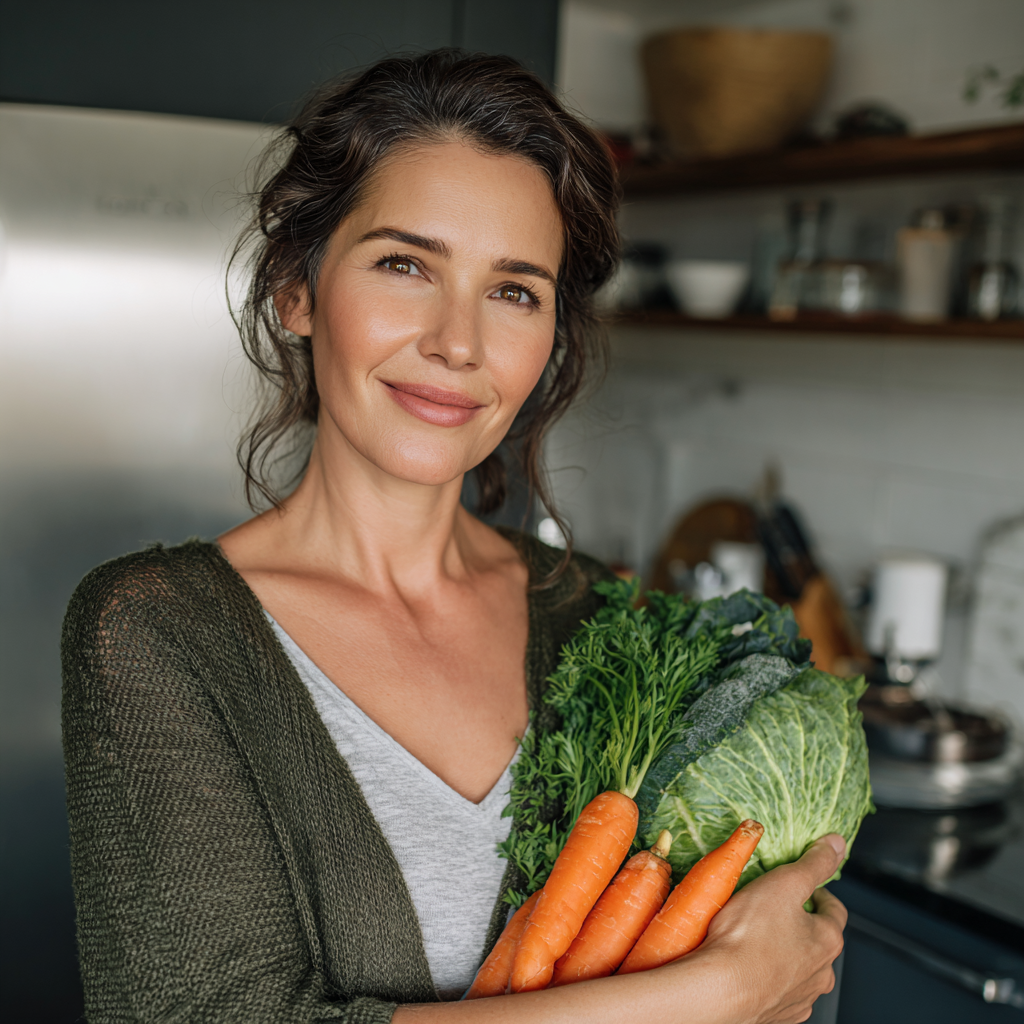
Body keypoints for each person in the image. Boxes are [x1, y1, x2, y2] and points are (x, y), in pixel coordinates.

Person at [61, 49, 846, 1024]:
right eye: (404, 264)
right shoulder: (157, 628)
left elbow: (765, 956)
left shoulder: (605, 614)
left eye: (513, 290)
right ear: (297, 292)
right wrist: (715, 992)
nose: (457, 342)